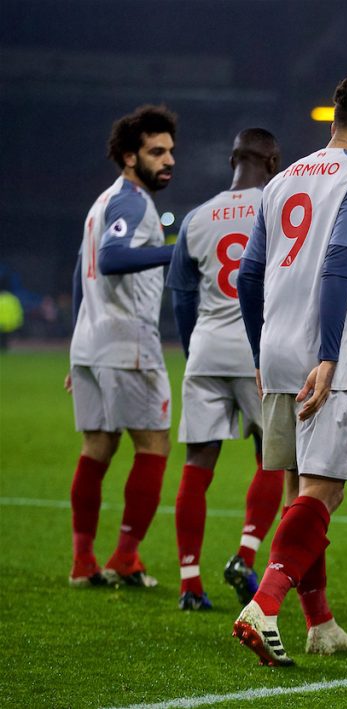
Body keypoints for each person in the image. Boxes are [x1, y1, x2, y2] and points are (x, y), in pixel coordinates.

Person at [231, 72, 347, 666]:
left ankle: (320, 621)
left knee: (300, 487)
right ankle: (265, 604)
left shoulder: (282, 180)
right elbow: (338, 264)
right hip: (330, 349)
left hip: (275, 348)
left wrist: (259, 351)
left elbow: (248, 277)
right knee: (324, 490)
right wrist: (329, 353)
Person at [166, 128, 286, 612]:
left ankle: (189, 582)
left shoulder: (197, 216)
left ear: (232, 158)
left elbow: (181, 295)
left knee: (197, 466)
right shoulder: (279, 205)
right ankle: (244, 555)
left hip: (206, 349)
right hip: (258, 350)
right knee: (271, 457)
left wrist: (193, 345)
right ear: (272, 162)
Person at [67, 105, 177, 588]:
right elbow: (111, 261)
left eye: (171, 150)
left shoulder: (101, 203)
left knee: (98, 447)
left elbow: (80, 273)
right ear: (130, 157)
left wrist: (78, 342)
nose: (169, 159)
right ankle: (126, 557)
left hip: (90, 344)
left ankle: (82, 561)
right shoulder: (133, 201)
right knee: (154, 446)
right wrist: (181, 249)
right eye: (157, 151)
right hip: (127, 343)